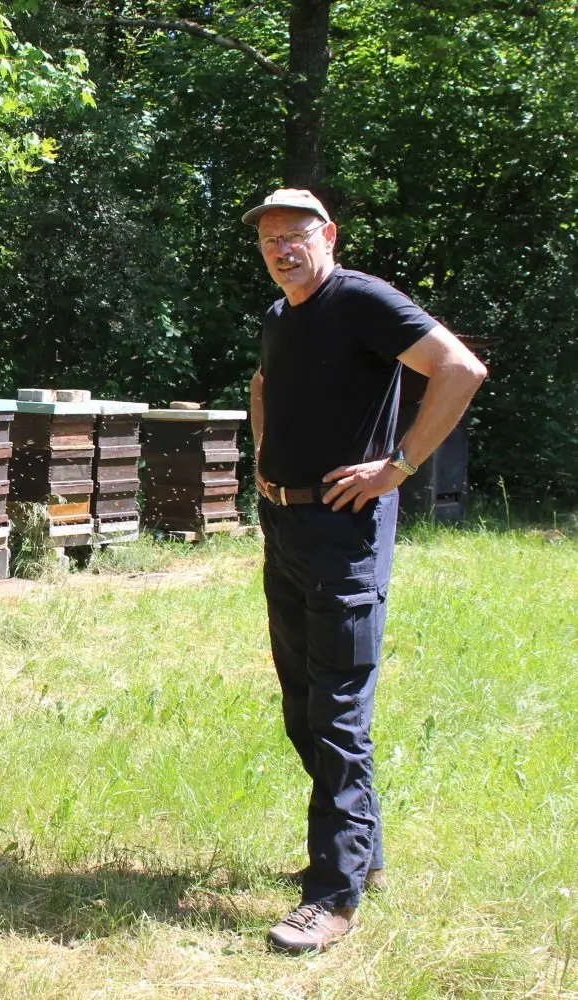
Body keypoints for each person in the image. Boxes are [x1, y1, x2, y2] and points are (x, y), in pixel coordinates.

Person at [244, 188, 486, 954]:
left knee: (337, 713)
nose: (283, 248)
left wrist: (401, 464)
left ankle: (332, 897)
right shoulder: (283, 315)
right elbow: (262, 386)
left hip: (344, 532)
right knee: (302, 702)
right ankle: (361, 854)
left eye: (297, 236)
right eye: (271, 239)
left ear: (329, 236)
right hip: (285, 524)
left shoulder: (361, 300)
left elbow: (459, 367)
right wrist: (261, 462)